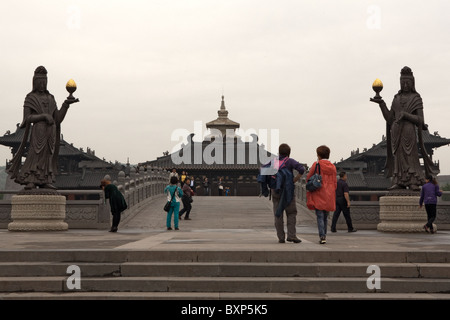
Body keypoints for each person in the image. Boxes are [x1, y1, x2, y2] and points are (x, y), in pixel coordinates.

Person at [8, 66, 79, 189]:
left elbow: (57, 119)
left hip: (50, 132)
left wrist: (66, 105)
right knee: (35, 154)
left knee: (48, 156)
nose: (42, 84)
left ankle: (45, 179)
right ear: (35, 82)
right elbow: (26, 120)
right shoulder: (30, 98)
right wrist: (43, 116)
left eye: (44, 82)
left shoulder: (50, 98)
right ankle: (31, 178)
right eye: (40, 82)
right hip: (38, 131)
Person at [370, 66, 434, 191]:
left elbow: (421, 120)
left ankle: (413, 180)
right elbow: (390, 118)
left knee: (410, 156)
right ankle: (399, 180)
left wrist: (406, 115)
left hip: (409, 132)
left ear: (412, 83)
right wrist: (381, 104)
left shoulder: (416, 98)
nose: (405, 85)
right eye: (403, 82)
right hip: (396, 131)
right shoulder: (396, 98)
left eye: (408, 82)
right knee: (398, 157)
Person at [265, 143, 305, 244]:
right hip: (288, 191)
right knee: (291, 213)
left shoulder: (273, 161)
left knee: (278, 214)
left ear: (279, 152)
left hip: (276, 191)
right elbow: (301, 169)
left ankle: (281, 237)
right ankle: (292, 236)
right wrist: (294, 180)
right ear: (289, 153)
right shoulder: (290, 161)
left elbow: (264, 171)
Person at [306, 145, 337, 244]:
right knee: (325, 216)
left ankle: (322, 236)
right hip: (329, 194)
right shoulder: (333, 167)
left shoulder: (317, 165)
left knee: (319, 215)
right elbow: (335, 182)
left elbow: (309, 177)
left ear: (319, 155)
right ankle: (324, 235)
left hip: (319, 193)